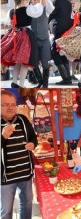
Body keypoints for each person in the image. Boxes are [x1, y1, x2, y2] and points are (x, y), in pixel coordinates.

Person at [1, 90, 38, 219]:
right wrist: (3, 137)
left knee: (27, 206)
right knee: (6, 211)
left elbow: (34, 138)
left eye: (13, 104)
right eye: (5, 104)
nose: (10, 107)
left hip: (26, 174)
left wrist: (33, 144)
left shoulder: (23, 119)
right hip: (6, 179)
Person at [1, 0, 41, 88]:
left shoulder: (13, 11)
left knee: (19, 62)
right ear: (22, 0)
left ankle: (14, 82)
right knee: (25, 62)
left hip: (16, 35)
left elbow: (8, 24)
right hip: (26, 35)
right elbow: (38, 12)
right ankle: (21, 84)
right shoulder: (28, 9)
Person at [29, 0, 55, 88]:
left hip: (44, 40)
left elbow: (47, 5)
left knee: (45, 63)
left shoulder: (45, 9)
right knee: (34, 63)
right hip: (34, 41)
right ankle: (40, 82)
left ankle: (45, 84)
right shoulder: (30, 10)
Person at [48, 0, 74, 85]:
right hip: (66, 31)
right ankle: (68, 78)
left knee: (55, 53)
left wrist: (48, 25)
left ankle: (66, 78)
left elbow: (51, 14)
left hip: (58, 30)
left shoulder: (57, 1)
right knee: (62, 54)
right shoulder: (68, 3)